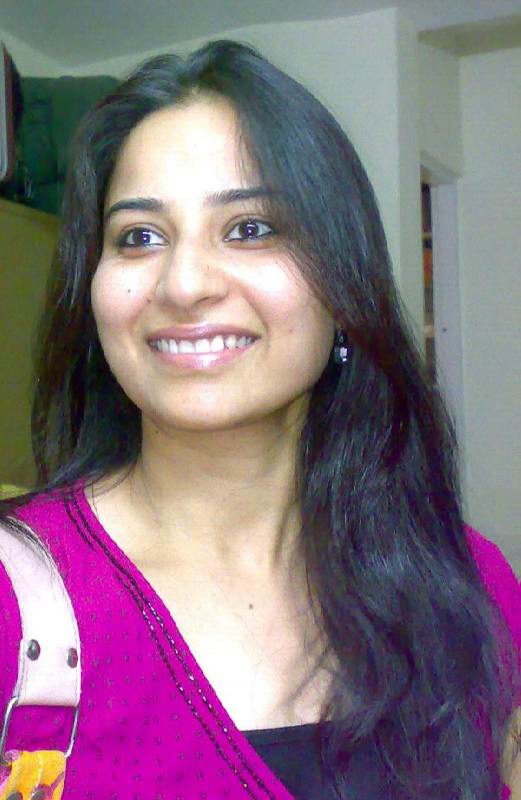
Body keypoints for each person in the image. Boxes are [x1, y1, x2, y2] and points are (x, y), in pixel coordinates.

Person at [0, 39, 519, 800]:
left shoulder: (467, 585)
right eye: (139, 237)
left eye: (249, 228)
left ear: (343, 281)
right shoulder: (15, 601)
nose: (183, 285)